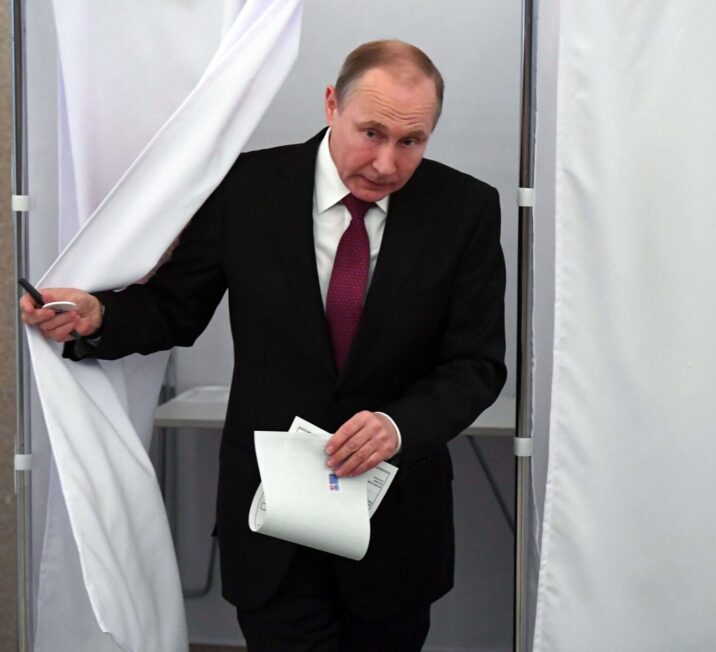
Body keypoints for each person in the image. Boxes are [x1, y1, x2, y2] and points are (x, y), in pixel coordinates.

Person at [21, 39, 506, 651]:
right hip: (272, 522)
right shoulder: (246, 188)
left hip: (393, 531)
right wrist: (98, 317)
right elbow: (174, 308)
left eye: (411, 141)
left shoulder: (464, 209)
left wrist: (397, 425)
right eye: (371, 133)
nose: (386, 163)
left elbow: (476, 364)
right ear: (331, 104)